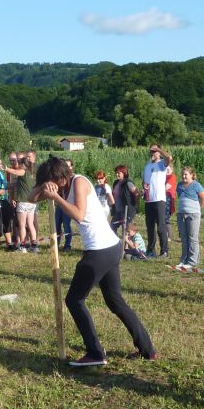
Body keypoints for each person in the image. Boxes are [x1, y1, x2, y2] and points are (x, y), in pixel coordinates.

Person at [30, 157, 157, 366]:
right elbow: (30, 197)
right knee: (115, 300)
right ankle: (147, 349)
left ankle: (95, 353)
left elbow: (79, 215)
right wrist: (43, 187)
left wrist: (55, 197)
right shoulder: (59, 186)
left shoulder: (79, 182)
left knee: (74, 300)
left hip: (100, 250)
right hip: (108, 247)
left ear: (62, 177)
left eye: (52, 180)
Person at [142, 144, 172, 257]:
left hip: (159, 199)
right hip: (149, 200)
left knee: (160, 226)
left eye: (155, 151)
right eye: (151, 151)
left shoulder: (161, 164)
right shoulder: (147, 166)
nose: (153, 153)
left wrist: (158, 149)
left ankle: (164, 251)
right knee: (150, 227)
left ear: (159, 152)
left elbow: (169, 158)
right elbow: (145, 182)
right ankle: (150, 250)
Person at [175, 166, 204, 269]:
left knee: (192, 238)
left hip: (193, 215)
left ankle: (192, 261)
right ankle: (183, 259)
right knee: (184, 238)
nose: (184, 176)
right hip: (181, 215)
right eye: (182, 174)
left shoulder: (196, 185)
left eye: (186, 174)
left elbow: (203, 199)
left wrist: (196, 208)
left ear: (192, 175)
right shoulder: (179, 186)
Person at [11, 154, 38, 253]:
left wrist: (5, 169)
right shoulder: (32, 172)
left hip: (23, 202)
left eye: (20, 164)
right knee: (30, 224)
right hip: (32, 202)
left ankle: (22, 247)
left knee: (22, 225)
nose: (18, 165)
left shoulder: (23, 171)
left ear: (23, 165)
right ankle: (34, 246)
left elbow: (14, 171)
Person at [111, 165, 138, 235]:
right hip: (117, 210)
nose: (117, 174)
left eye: (119, 173)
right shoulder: (116, 183)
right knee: (112, 227)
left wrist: (133, 206)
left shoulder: (128, 183)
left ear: (124, 173)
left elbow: (137, 194)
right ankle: (116, 244)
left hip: (126, 211)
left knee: (125, 231)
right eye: (116, 173)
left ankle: (127, 245)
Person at [54, 158, 75, 250]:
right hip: (59, 205)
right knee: (57, 225)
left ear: (71, 167)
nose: (67, 168)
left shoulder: (74, 178)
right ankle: (56, 244)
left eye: (68, 166)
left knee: (67, 225)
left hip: (67, 205)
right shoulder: (60, 177)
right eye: (65, 166)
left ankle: (67, 245)